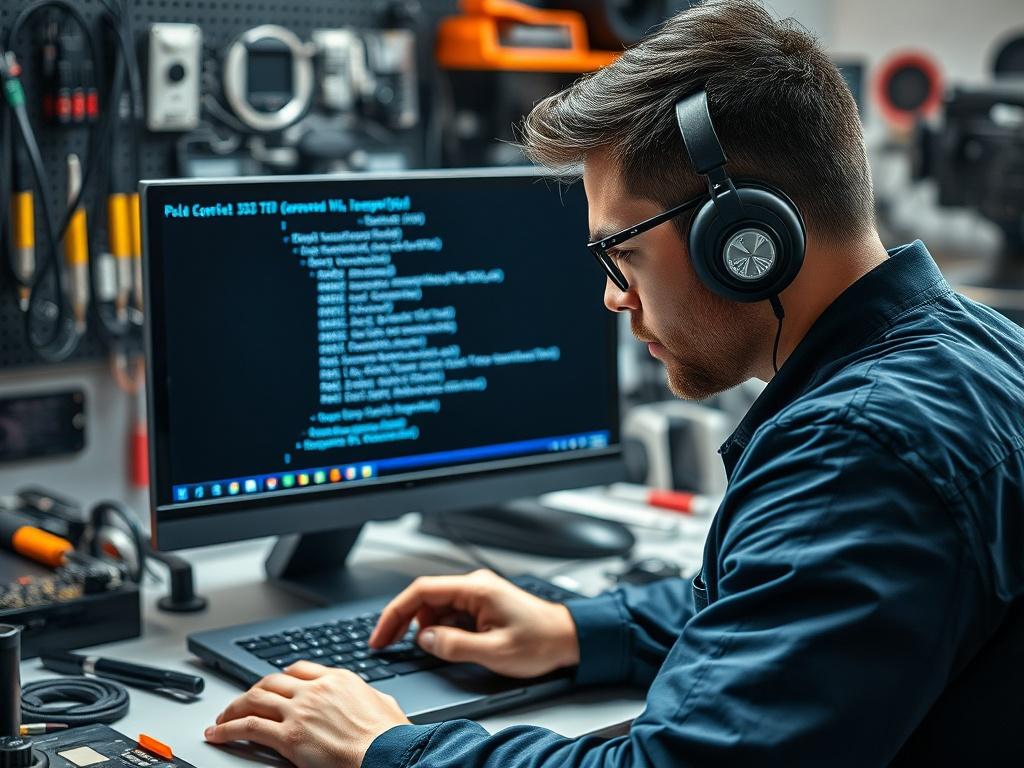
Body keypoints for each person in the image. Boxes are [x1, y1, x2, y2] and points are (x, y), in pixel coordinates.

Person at [202, 1, 1024, 765]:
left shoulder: (860, 448)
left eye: (621, 251)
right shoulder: (972, 345)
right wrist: (577, 628)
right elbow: (788, 600)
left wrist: (389, 746)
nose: (612, 295)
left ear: (743, 238)